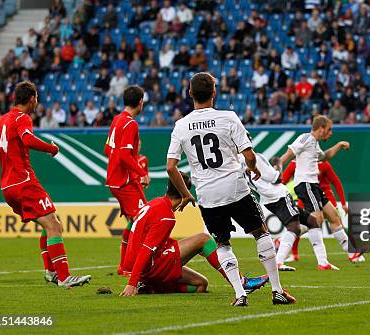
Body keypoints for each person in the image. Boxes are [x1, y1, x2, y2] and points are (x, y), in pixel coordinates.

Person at [166, 72, 295, 306]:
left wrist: (186, 193)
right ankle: (277, 291)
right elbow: (248, 155)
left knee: (223, 243)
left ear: (190, 93)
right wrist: (253, 167)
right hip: (235, 187)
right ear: (214, 93)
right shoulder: (229, 117)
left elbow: (171, 167)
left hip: (207, 194)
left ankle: (239, 295)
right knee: (261, 232)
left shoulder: (181, 126)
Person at [0, 81, 91, 287]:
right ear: (32, 98)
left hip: (7, 186)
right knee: (54, 225)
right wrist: (51, 149)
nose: (38, 102)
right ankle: (63, 277)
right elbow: (27, 139)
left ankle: (51, 271)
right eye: (37, 98)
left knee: (50, 222)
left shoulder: (2, 120)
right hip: (23, 181)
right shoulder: (22, 118)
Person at [119, 173, 269, 296]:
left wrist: (124, 267)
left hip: (144, 268)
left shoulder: (153, 203)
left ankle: (151, 288)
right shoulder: (166, 216)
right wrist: (131, 283)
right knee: (203, 239)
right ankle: (241, 282)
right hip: (150, 267)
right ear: (185, 191)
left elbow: (128, 229)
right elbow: (146, 250)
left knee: (201, 285)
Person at [279, 116, 350, 269]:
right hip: (306, 184)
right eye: (329, 129)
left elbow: (325, 157)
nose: (330, 133)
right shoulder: (306, 138)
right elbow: (290, 152)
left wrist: (338, 145)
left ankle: (352, 253)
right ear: (321, 128)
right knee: (316, 220)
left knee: (333, 215)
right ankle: (320, 260)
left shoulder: (314, 143)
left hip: (314, 186)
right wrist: (279, 164)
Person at [241, 152, 324, 271]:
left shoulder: (236, 163)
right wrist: (278, 165)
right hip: (279, 196)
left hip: (267, 199)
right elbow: (276, 178)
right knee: (294, 227)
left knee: (312, 221)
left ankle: (323, 262)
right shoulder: (255, 157)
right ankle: (279, 261)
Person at [104, 86, 150, 275]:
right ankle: (134, 268)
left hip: (114, 180)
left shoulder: (117, 120)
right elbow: (123, 156)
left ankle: (124, 266)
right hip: (125, 182)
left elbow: (108, 150)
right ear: (140, 102)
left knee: (135, 222)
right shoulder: (131, 124)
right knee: (145, 222)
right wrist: (141, 173)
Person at [282, 160, 364, 263]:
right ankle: (295, 252)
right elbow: (283, 180)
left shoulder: (322, 162)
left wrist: (343, 203)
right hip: (307, 196)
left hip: (323, 195)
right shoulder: (296, 162)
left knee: (335, 220)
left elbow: (335, 181)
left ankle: (352, 254)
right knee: (314, 223)